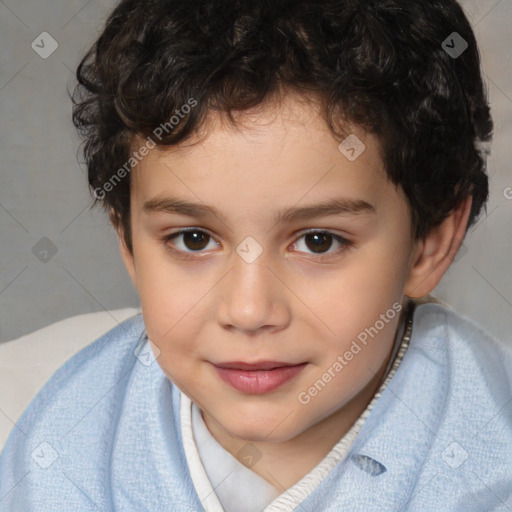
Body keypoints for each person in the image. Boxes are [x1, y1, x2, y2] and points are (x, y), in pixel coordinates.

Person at [1, 0, 511, 510]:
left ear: (430, 244)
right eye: (193, 239)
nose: (248, 311)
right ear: (129, 243)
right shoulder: (60, 447)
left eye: (318, 241)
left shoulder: (489, 464)